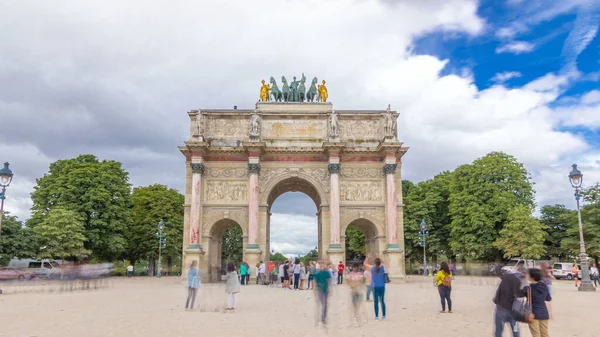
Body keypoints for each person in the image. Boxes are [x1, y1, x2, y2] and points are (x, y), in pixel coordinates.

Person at [493, 265, 526, 337]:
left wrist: (496, 301)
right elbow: (521, 295)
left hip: (501, 307)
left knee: (498, 331)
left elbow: (499, 293)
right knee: (515, 330)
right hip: (514, 309)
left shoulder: (506, 277)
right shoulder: (522, 279)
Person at [522, 268, 551, 337]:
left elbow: (518, 295)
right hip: (544, 313)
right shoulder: (544, 286)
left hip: (533, 313)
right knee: (545, 334)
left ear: (532, 277)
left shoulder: (528, 288)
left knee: (536, 335)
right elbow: (548, 298)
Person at [313, 260, 332, 329]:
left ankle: (323, 318)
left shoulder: (327, 272)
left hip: (325, 290)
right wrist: (314, 290)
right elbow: (314, 282)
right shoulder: (317, 273)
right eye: (321, 265)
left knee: (325, 304)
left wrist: (330, 288)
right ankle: (321, 318)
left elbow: (329, 280)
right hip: (320, 290)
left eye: (323, 264)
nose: (322, 266)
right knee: (322, 304)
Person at [347, 262, 365, 326]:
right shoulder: (351, 274)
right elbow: (349, 283)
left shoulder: (360, 274)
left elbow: (362, 283)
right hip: (354, 291)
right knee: (355, 306)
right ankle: (356, 319)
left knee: (357, 307)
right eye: (354, 267)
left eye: (355, 267)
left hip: (358, 291)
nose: (354, 268)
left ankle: (357, 319)